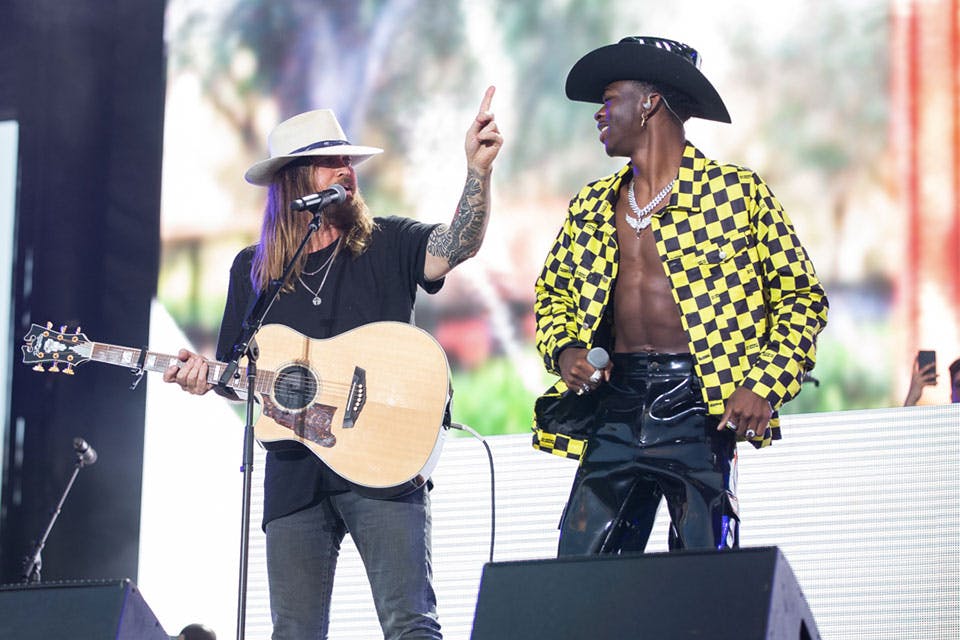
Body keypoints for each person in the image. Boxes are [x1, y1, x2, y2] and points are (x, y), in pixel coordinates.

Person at [164, 88, 502, 639]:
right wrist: (204, 379)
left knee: (410, 624)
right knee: (293, 633)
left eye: (348, 159)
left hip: (384, 466)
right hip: (295, 476)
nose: (347, 170)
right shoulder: (253, 271)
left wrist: (477, 172)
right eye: (331, 162)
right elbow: (237, 374)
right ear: (296, 181)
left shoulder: (388, 241)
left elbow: (454, 247)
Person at [532, 37, 828, 555]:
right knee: (579, 572)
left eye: (610, 98)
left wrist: (763, 383)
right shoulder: (592, 204)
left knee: (703, 576)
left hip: (699, 404)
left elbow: (802, 297)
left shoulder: (735, 193)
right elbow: (552, 292)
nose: (599, 113)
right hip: (616, 403)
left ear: (648, 103)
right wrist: (566, 352)